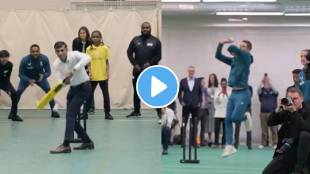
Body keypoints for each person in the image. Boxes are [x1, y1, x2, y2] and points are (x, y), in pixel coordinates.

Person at [50, 41, 94, 154]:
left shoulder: (74, 54)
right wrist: (64, 82)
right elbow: (60, 79)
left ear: (66, 49)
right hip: (73, 89)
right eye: (58, 51)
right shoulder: (56, 64)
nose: (60, 53)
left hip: (84, 87)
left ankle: (66, 144)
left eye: (62, 50)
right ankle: (87, 141)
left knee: (70, 113)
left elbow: (88, 57)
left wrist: (75, 68)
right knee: (71, 117)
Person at [215, 38, 253, 157]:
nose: (240, 47)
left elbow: (232, 48)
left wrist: (230, 45)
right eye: (240, 45)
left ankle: (245, 117)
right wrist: (221, 43)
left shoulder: (247, 58)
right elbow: (218, 56)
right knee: (228, 120)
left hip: (243, 93)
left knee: (236, 118)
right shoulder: (234, 60)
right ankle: (229, 146)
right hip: (234, 93)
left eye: (243, 46)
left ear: (248, 49)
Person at [262, 87, 310, 174]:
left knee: (304, 134)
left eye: (295, 99)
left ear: (302, 99)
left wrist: (294, 112)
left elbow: (306, 127)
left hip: (306, 154)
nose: (293, 101)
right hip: (288, 150)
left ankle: (299, 170)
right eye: (290, 99)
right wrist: (277, 110)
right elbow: (270, 122)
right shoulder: (286, 111)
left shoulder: (308, 110)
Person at [126, 22, 162, 119]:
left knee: (154, 92)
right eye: (143, 27)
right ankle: (136, 111)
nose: (145, 29)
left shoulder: (156, 41)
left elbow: (159, 56)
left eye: (147, 27)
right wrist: (135, 64)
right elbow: (129, 53)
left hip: (151, 71)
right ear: (141, 29)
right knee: (137, 91)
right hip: (138, 70)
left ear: (150, 29)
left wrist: (150, 63)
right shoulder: (135, 40)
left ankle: (159, 111)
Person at [17, 44, 60, 120]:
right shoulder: (25, 60)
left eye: (37, 51)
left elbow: (48, 72)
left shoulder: (44, 58)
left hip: (40, 78)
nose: (35, 53)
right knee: (18, 92)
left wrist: (43, 76)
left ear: (39, 51)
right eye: (33, 51)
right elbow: (20, 74)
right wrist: (28, 80)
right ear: (30, 52)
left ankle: (54, 111)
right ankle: (13, 112)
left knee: (49, 91)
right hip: (27, 78)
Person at [85, 30, 113, 120]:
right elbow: (88, 63)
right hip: (93, 77)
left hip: (103, 76)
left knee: (106, 95)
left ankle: (107, 113)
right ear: (91, 38)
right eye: (93, 37)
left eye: (97, 36)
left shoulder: (105, 48)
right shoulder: (88, 49)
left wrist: (107, 73)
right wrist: (89, 73)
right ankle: (85, 113)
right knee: (89, 95)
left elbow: (107, 62)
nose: (95, 38)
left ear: (100, 38)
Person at [72, 26, 95, 114]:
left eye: (84, 33)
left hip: (88, 64)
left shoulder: (90, 41)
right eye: (80, 33)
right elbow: (74, 53)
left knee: (89, 87)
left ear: (87, 33)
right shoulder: (75, 41)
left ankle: (91, 107)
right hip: (79, 64)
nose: (82, 34)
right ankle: (77, 105)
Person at [178, 66, 202, 146]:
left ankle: (194, 142)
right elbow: (179, 93)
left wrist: (199, 102)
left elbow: (200, 93)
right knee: (184, 123)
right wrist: (181, 102)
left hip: (195, 106)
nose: (191, 72)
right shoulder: (183, 81)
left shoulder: (198, 81)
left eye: (193, 71)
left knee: (195, 124)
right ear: (188, 71)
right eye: (190, 71)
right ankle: (183, 142)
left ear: (194, 72)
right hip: (186, 105)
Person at [257, 74, 278, 149]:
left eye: (267, 81)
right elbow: (258, 91)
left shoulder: (273, 91)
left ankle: (275, 143)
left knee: (274, 129)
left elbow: (276, 92)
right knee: (264, 128)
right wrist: (262, 82)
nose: (266, 82)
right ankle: (264, 143)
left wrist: (269, 81)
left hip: (272, 112)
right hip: (263, 112)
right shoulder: (261, 91)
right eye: (265, 81)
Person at [0, 50, 21, 121]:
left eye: (6, 57)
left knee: (14, 94)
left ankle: (13, 115)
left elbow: (7, 77)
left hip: (5, 82)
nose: (4, 59)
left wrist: (8, 89)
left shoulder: (10, 65)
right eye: (2, 57)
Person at [234, 85, 253, 150]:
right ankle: (235, 144)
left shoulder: (250, 88)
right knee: (237, 128)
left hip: (247, 110)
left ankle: (249, 144)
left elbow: (249, 98)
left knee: (249, 127)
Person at [213, 78, 231, 148]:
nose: (223, 85)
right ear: (220, 84)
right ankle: (216, 143)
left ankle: (223, 143)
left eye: (225, 84)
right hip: (218, 113)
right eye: (222, 84)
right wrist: (219, 94)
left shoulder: (229, 92)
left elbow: (230, 102)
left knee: (225, 129)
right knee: (217, 129)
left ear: (226, 84)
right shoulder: (217, 92)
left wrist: (226, 94)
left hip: (225, 113)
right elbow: (216, 102)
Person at [205, 73, 219, 146]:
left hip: (216, 108)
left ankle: (216, 138)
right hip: (209, 107)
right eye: (210, 78)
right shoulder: (207, 89)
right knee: (209, 122)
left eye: (213, 78)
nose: (212, 79)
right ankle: (209, 138)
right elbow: (206, 98)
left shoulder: (218, 88)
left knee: (215, 122)